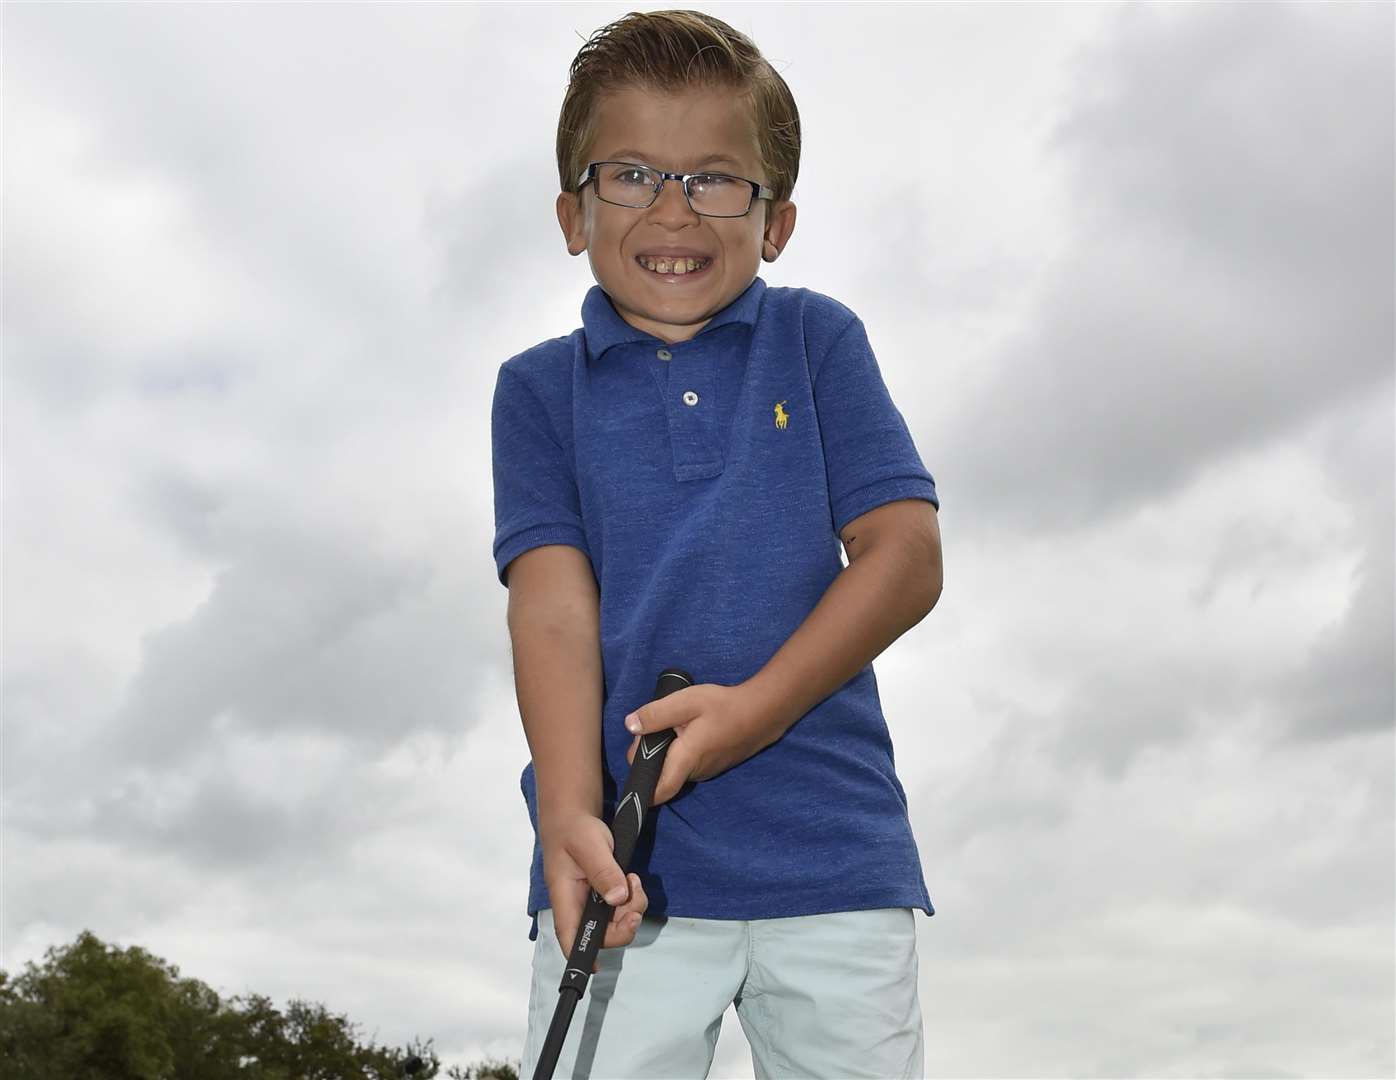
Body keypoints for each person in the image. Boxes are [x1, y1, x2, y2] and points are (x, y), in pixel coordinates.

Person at [491, 10, 943, 1078]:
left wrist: (755, 711)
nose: (672, 209)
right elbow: (551, 605)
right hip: (622, 866)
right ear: (572, 212)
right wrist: (566, 810)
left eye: (714, 180)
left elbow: (903, 553)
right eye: (632, 174)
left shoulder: (816, 339)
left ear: (774, 221)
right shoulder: (533, 392)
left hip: (832, 854)